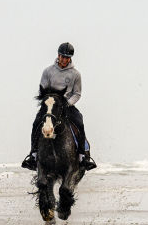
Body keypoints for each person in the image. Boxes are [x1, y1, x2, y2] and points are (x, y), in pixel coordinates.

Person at [20, 41, 97, 172]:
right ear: (58, 55)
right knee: (36, 123)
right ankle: (33, 155)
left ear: (70, 58)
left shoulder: (75, 74)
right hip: (50, 105)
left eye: (67, 57)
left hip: (66, 105)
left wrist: (67, 103)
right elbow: (43, 91)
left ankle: (83, 156)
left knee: (79, 121)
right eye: (62, 56)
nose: (64, 59)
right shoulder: (48, 71)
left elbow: (77, 94)